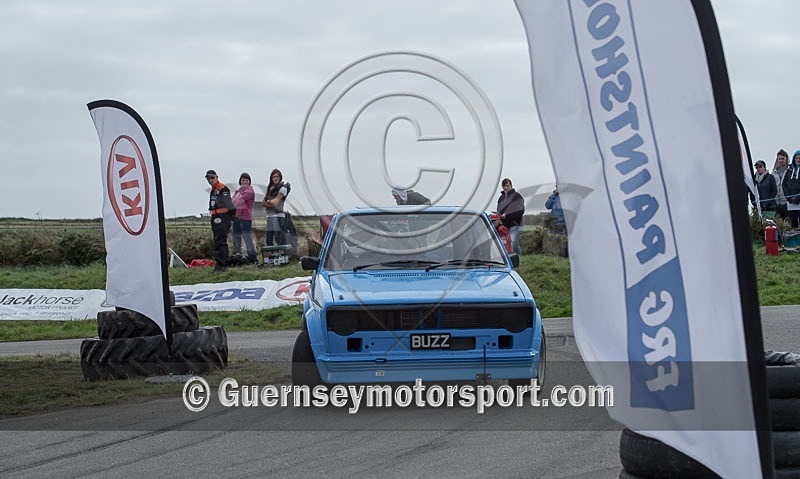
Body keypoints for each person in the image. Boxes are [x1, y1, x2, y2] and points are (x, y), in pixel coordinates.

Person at [205, 170, 235, 272]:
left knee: (220, 240)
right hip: (215, 215)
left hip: (222, 216)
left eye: (212, 178)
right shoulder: (213, 189)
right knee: (219, 239)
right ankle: (224, 262)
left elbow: (229, 204)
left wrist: (230, 216)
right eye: (208, 178)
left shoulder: (222, 188)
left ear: (217, 177)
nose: (210, 180)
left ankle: (220, 264)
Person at [231, 172, 258, 264]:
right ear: (240, 181)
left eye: (246, 180)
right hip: (236, 217)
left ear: (249, 182)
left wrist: (233, 201)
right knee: (236, 238)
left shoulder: (249, 192)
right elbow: (232, 201)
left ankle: (253, 259)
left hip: (245, 218)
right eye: (243, 180)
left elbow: (238, 201)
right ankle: (237, 257)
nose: (244, 182)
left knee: (247, 238)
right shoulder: (237, 192)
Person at [497, 178, 525, 255]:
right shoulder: (501, 198)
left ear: (511, 186)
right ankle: (509, 258)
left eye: (507, 186)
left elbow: (520, 210)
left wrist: (507, 215)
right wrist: (499, 215)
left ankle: (518, 257)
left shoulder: (517, 197)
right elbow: (499, 209)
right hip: (504, 225)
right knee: (505, 243)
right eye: (504, 186)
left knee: (514, 242)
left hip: (516, 224)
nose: (505, 188)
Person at [263, 168, 290, 246]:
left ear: (280, 177)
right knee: (269, 241)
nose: (275, 178)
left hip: (278, 217)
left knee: (279, 240)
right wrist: (269, 202)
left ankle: (282, 254)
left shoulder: (283, 188)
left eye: (277, 176)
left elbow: (275, 203)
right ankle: (272, 254)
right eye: (273, 177)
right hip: (269, 216)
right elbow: (263, 203)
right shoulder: (270, 188)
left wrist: (268, 202)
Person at [783, 151, 800, 228]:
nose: (798, 160)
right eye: (797, 158)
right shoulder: (789, 170)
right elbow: (784, 184)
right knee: (793, 222)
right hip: (790, 202)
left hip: (799, 200)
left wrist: (797, 198)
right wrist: (788, 197)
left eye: (799, 158)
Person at [772, 149, 790, 219]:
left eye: (783, 159)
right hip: (776, 202)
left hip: (786, 202)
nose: (781, 160)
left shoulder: (790, 171)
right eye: (779, 159)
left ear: (786, 159)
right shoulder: (774, 172)